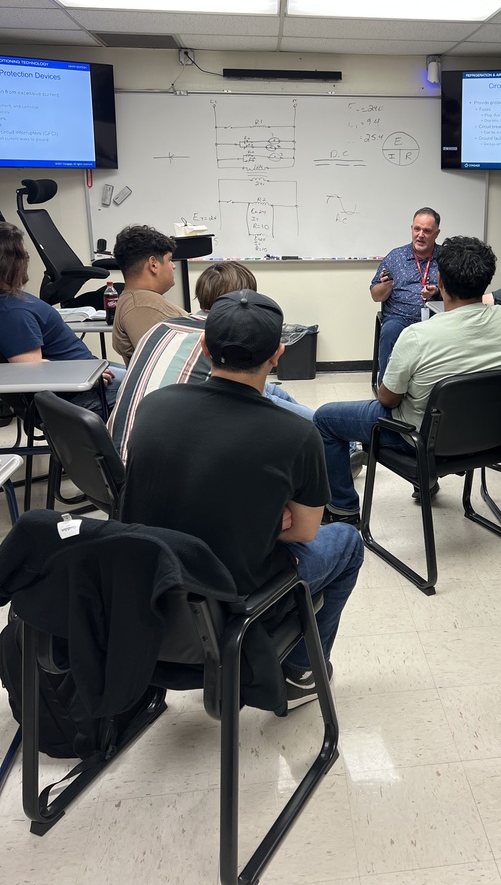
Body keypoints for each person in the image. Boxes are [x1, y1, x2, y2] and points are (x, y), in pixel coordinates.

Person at [120, 289, 364, 710]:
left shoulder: (154, 405)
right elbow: (304, 531)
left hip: (150, 592)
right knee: (347, 542)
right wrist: (271, 516)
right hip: (235, 604)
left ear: (203, 346)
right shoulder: (297, 434)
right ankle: (303, 671)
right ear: (278, 355)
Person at [315, 235, 501, 524]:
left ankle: (343, 508)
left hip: (422, 440)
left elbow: (388, 399)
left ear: (440, 281)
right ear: (486, 280)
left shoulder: (418, 335)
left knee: (325, 419)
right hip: (490, 437)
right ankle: (426, 481)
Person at [108, 261, 313, 461]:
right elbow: (253, 400)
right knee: (305, 424)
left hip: (116, 458)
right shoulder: (224, 337)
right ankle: (327, 433)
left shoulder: (162, 327)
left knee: (271, 390)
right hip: (157, 468)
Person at [0, 221, 124, 413]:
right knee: (159, 387)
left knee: (149, 375)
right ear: (12, 262)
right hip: (83, 394)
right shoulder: (13, 313)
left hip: (89, 377)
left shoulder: (12, 302)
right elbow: (28, 369)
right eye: (24, 255)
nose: (27, 259)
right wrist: (87, 372)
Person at [370, 207, 441, 379]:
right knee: (389, 331)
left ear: (436, 233)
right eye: (417, 229)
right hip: (399, 318)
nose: (420, 235)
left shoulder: (446, 257)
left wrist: (437, 292)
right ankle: (386, 390)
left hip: (436, 319)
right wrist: (385, 286)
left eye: (427, 231)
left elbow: (458, 293)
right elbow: (375, 295)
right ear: (411, 229)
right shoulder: (395, 257)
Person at [111, 224, 186, 364]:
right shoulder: (142, 307)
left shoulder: (139, 300)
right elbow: (165, 365)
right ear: (153, 264)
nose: (173, 266)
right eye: (169, 260)